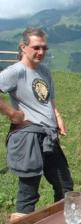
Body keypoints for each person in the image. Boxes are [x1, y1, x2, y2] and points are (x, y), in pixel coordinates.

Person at [0, 27, 73, 214]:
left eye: (44, 48)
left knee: (65, 186)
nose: (41, 52)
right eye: (36, 47)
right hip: (28, 136)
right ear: (23, 47)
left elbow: (49, 99)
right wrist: (12, 113)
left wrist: (57, 117)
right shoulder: (16, 71)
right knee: (29, 192)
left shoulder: (45, 71)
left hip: (49, 136)